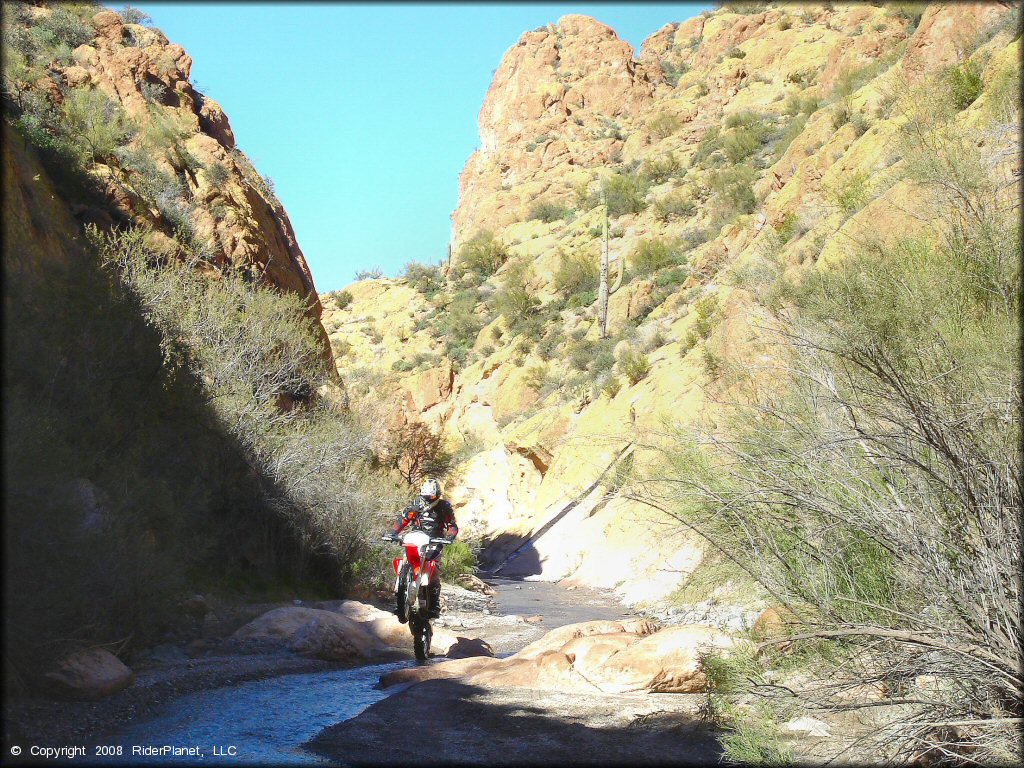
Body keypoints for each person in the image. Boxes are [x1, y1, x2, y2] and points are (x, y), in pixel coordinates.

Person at [390, 477, 458, 619]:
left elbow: (452, 525)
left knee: (434, 571)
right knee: (406, 560)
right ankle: (400, 598)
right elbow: (404, 519)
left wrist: (450, 537)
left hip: (435, 539)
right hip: (416, 536)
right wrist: (393, 532)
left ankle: (433, 605)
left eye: (431, 496)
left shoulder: (444, 506)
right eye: (425, 496)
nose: (428, 499)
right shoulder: (417, 503)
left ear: (437, 494)